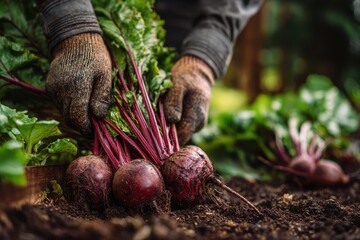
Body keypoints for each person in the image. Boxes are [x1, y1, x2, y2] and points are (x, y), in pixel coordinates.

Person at [39, 0, 262, 146]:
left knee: (173, 114)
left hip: (186, 18)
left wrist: (203, 59)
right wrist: (72, 27)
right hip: (98, 8)